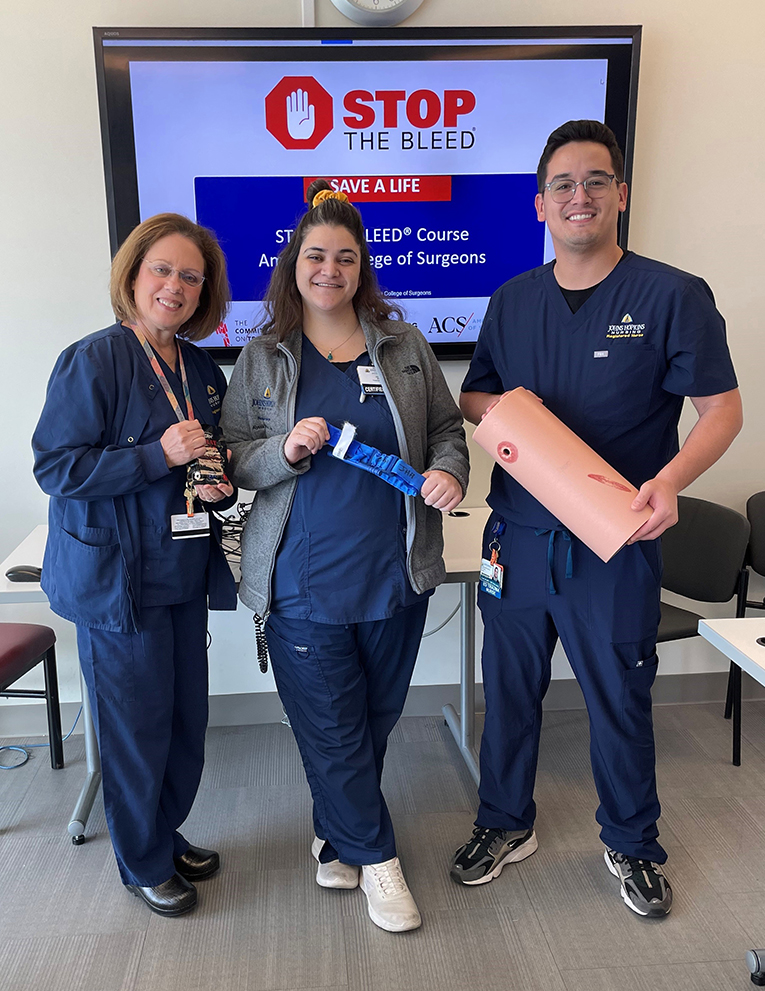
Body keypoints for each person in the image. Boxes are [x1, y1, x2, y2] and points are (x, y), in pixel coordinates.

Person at [451, 121, 742, 918]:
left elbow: (721, 409)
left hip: (614, 540)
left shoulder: (670, 294)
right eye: (562, 184)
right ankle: (504, 823)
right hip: (516, 536)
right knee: (509, 692)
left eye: (594, 181)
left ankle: (632, 840)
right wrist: (512, 409)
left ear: (620, 194)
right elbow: (475, 395)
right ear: (538, 202)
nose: (578, 196)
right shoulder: (512, 300)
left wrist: (671, 480)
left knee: (617, 694)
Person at [221, 180, 469, 933]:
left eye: (346, 257)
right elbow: (233, 459)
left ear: (362, 267)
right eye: (316, 255)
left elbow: (448, 431)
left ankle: (336, 833)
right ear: (294, 261)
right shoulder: (262, 357)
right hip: (300, 580)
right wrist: (283, 448)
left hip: (395, 575)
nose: (329, 268)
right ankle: (380, 863)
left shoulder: (405, 347)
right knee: (331, 724)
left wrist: (450, 471)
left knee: (368, 720)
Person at [33, 213, 238, 917]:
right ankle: (141, 860)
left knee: (183, 721)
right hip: (119, 585)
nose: (174, 286)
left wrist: (216, 480)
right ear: (133, 274)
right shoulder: (93, 360)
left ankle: (164, 831)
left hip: (180, 572)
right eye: (162, 270)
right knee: (134, 727)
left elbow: (208, 456)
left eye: (190, 276)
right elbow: (56, 467)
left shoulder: (202, 367)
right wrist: (158, 456)